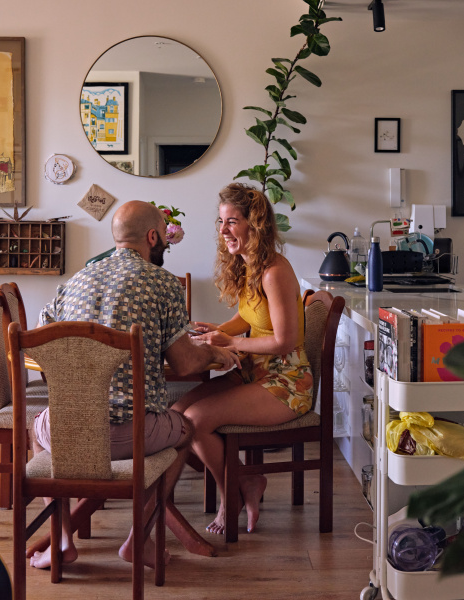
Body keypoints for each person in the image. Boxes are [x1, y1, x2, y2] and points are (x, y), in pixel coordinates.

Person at [29, 200, 240, 569]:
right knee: (185, 429)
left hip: (66, 431)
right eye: (164, 240)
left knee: (37, 425)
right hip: (132, 435)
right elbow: (185, 364)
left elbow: (41, 340)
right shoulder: (162, 283)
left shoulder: (74, 282)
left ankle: (62, 540)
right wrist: (214, 354)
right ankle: (138, 539)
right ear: (153, 237)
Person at [172, 183, 313, 535]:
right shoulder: (250, 265)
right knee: (176, 416)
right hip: (254, 372)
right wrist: (215, 330)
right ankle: (247, 480)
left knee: (195, 421)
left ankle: (229, 496)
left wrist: (231, 342)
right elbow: (249, 317)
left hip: (286, 383)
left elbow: (285, 340)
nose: (223, 231)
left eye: (232, 222)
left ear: (256, 224)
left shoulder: (274, 271)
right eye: (221, 222)